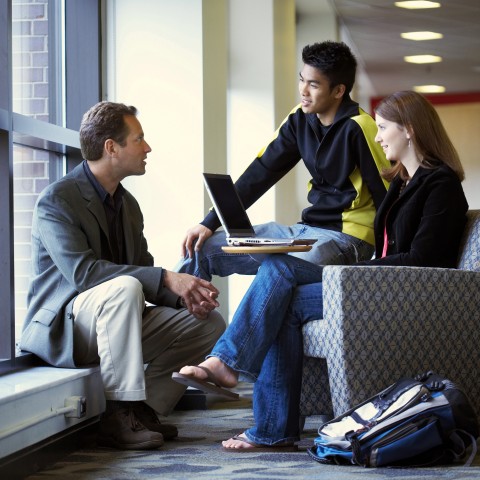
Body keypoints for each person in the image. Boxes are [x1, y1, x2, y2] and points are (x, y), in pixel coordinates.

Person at [173, 90, 468, 451]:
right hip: (377, 282)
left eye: (384, 127)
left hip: (402, 292)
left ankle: (242, 384)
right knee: (279, 276)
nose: (377, 136)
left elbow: (424, 259)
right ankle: (261, 413)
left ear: (409, 130)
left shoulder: (441, 184)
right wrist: (365, 272)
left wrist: (361, 272)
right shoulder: (401, 181)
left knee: (280, 280)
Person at [19, 101, 226, 451]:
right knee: (125, 287)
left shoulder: (128, 205)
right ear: (111, 147)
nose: (148, 148)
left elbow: (143, 269)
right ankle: (118, 411)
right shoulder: (57, 200)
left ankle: (144, 409)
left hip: (119, 317)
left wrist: (185, 296)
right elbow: (83, 274)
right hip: (68, 328)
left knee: (208, 324)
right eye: (139, 139)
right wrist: (166, 278)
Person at [176, 41, 390, 279]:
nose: (303, 91)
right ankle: (178, 316)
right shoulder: (299, 118)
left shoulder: (361, 127)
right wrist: (208, 223)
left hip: (348, 238)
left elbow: (387, 197)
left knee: (278, 270)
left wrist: (389, 263)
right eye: (302, 80)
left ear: (338, 91)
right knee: (199, 249)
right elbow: (263, 170)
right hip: (305, 231)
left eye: (313, 84)